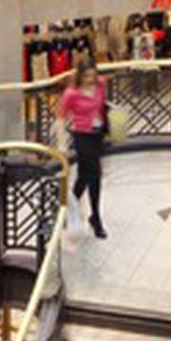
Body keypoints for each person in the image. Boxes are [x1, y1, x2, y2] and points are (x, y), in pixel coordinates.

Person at [60, 61, 109, 238]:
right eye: (87, 76)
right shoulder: (71, 94)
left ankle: (66, 209)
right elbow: (61, 118)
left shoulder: (100, 84)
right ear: (80, 76)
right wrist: (62, 144)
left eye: (93, 75)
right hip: (82, 137)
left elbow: (103, 106)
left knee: (83, 177)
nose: (91, 80)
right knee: (94, 175)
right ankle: (95, 217)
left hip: (98, 135)